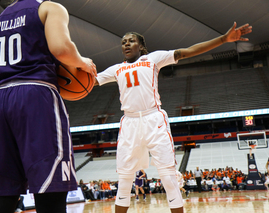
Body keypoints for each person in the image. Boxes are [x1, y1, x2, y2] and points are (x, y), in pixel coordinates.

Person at [95, 21, 252, 213]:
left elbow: (187, 51)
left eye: (131, 41)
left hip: (154, 119)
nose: (126, 44)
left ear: (141, 46)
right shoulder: (116, 69)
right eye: (123, 42)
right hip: (129, 123)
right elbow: (87, 82)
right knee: (125, 180)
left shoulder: (153, 58)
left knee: (168, 177)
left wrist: (223, 39)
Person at [0, 0, 97, 213]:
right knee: (51, 186)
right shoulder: (49, 8)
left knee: (1, 192)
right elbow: (61, 49)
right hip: (35, 94)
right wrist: (82, 62)